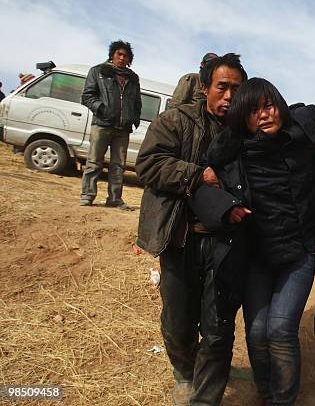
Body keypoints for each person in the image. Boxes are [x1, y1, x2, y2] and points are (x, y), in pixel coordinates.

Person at [191, 77, 315, 406]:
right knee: (257, 333)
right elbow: (202, 188)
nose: (264, 114)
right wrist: (225, 206)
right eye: (254, 111)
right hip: (257, 257)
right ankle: (266, 393)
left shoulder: (301, 133)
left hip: (298, 253)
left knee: (279, 330)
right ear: (243, 119)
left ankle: (283, 400)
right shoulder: (233, 152)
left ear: (280, 105)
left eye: (269, 106)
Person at [135, 53, 247, 406]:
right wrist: (197, 175)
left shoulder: (246, 132)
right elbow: (148, 164)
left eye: (236, 89)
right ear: (204, 87)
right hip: (180, 236)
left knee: (217, 327)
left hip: (226, 244)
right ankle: (185, 374)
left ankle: (206, 395)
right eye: (222, 87)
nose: (229, 96)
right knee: (179, 319)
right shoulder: (175, 121)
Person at [80, 40, 142, 209]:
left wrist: (134, 118)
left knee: (118, 166)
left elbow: (137, 101)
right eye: (119, 54)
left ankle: (114, 199)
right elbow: (87, 96)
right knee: (94, 162)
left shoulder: (133, 77)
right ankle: (87, 195)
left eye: (126, 55)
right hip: (102, 124)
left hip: (123, 129)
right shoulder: (98, 71)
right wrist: (102, 109)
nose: (122, 58)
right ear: (112, 55)